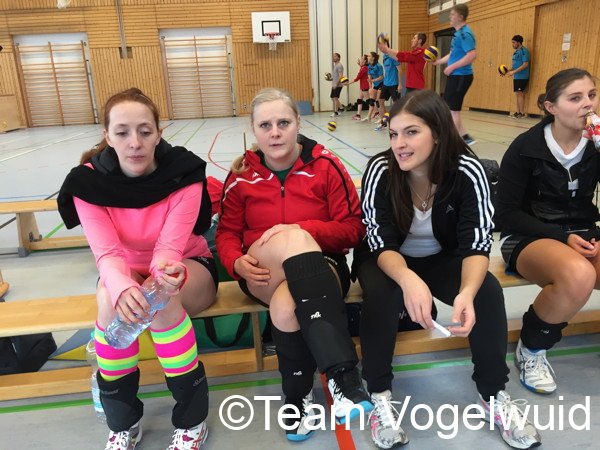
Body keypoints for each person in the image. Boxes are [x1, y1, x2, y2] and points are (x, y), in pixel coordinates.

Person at [355, 90, 541, 449]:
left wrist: (466, 293)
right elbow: (380, 242)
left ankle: (492, 394)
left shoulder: (468, 171)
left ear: (438, 133)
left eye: (411, 132)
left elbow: (476, 243)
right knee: (383, 293)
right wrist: (407, 278)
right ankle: (379, 393)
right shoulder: (381, 170)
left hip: (442, 257)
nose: (399, 144)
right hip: (386, 259)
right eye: (393, 133)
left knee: (486, 291)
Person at [57, 88, 217, 450]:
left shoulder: (185, 172)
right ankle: (123, 424)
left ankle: (192, 421)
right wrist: (122, 288)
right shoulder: (87, 183)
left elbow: (169, 249)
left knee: (163, 300)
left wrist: (162, 279)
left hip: (185, 265)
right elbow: (107, 253)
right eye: (122, 132)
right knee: (109, 300)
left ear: (159, 133)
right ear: (107, 135)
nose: (135, 143)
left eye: (145, 131)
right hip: (122, 270)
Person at [216, 88, 372, 442]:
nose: (275, 133)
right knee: (290, 240)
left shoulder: (326, 165)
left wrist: (302, 230)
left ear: (298, 123)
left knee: (286, 307)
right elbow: (226, 232)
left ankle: (297, 397)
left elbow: (353, 228)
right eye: (265, 125)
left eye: (283, 123)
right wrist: (235, 261)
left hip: (323, 265)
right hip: (262, 270)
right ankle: (343, 375)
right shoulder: (242, 176)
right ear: (254, 130)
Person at [496, 68, 599, 395]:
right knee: (579, 275)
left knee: (584, 267)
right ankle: (532, 349)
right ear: (551, 107)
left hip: (583, 231)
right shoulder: (526, 147)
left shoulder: (595, 145)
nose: (588, 104)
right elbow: (506, 214)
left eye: (592, 95)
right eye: (575, 98)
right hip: (530, 235)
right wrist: (561, 238)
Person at [433, 3, 477, 145]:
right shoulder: (458, 34)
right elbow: (453, 54)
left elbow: (472, 55)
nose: (450, 17)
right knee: (452, 108)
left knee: (452, 109)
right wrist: (439, 62)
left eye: (452, 14)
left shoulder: (464, 34)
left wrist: (451, 67)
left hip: (460, 76)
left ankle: (453, 142)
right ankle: (465, 137)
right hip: (457, 76)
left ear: (460, 17)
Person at [374, 35, 401, 131]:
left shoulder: (393, 55)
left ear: (386, 45)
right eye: (378, 46)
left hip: (394, 84)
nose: (379, 47)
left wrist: (400, 84)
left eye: (380, 45)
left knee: (397, 104)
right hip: (386, 83)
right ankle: (384, 123)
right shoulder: (384, 56)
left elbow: (400, 70)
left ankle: (398, 124)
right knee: (380, 101)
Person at [505, 35, 530, 118]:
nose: (512, 44)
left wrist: (514, 72)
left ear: (519, 43)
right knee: (517, 94)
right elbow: (515, 66)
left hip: (522, 76)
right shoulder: (516, 52)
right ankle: (518, 112)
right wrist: (508, 71)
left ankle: (522, 113)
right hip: (516, 76)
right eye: (512, 42)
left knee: (520, 94)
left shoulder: (524, 51)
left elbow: (525, 64)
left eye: (514, 42)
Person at [349, 54, 370, 121]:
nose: (360, 59)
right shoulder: (363, 67)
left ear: (365, 61)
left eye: (362, 58)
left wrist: (348, 83)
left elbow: (358, 77)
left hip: (365, 86)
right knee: (359, 100)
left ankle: (376, 113)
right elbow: (362, 71)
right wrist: (360, 65)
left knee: (369, 101)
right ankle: (358, 115)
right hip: (362, 86)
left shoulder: (364, 68)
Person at [367, 51, 384, 123]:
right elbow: (369, 77)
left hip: (382, 84)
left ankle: (382, 118)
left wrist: (372, 80)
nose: (367, 57)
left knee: (378, 101)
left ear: (373, 58)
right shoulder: (369, 66)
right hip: (375, 85)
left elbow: (381, 77)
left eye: (369, 56)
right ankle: (369, 117)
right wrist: (370, 87)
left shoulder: (379, 66)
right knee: (371, 101)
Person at [330, 52, 345, 117]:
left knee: (335, 98)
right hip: (334, 84)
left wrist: (336, 84)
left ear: (338, 58)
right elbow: (336, 76)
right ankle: (341, 107)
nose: (333, 57)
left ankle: (336, 112)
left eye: (335, 56)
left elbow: (341, 76)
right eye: (333, 56)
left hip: (338, 85)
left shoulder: (339, 65)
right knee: (332, 98)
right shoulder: (335, 65)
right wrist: (330, 79)